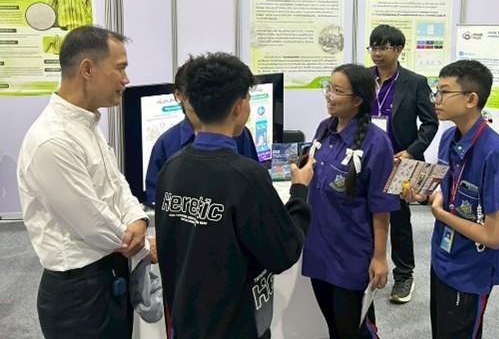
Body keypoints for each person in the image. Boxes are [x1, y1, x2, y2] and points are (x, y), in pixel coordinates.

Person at [155, 53, 313, 339]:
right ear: (240, 106)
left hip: (185, 321)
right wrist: (299, 192)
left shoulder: (171, 168)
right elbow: (283, 253)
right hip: (235, 325)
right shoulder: (246, 176)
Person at [17, 25, 149, 339]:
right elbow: (91, 223)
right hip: (79, 294)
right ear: (87, 70)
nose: (126, 79)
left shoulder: (85, 123)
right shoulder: (53, 139)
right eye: (120, 69)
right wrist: (142, 244)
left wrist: (138, 218)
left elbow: (116, 183)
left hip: (108, 274)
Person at [403, 59, 499, 339]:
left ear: (471, 99)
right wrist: (424, 196)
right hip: (443, 257)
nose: (435, 100)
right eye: (435, 92)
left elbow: (493, 236)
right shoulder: (449, 137)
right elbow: (446, 193)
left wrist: (441, 215)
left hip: (470, 268)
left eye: (443, 92)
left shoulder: (493, 152)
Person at [302, 63, 400, 338]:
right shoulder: (324, 128)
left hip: (351, 255)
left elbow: (381, 208)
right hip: (319, 248)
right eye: (328, 87)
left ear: (356, 100)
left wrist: (379, 257)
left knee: (353, 330)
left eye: (336, 90)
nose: (328, 95)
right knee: (332, 327)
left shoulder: (377, 143)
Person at [367, 24, 438, 303]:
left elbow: (430, 123)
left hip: (400, 160)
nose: (377, 53)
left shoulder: (415, 82)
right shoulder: (363, 79)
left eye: (383, 47)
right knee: (364, 214)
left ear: (398, 50)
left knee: (398, 219)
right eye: (373, 46)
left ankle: (404, 274)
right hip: (368, 158)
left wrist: (411, 151)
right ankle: (368, 267)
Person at [144, 60, 259, 203]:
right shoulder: (166, 143)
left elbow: (254, 183)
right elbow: (156, 199)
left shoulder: (240, 133)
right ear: (179, 95)